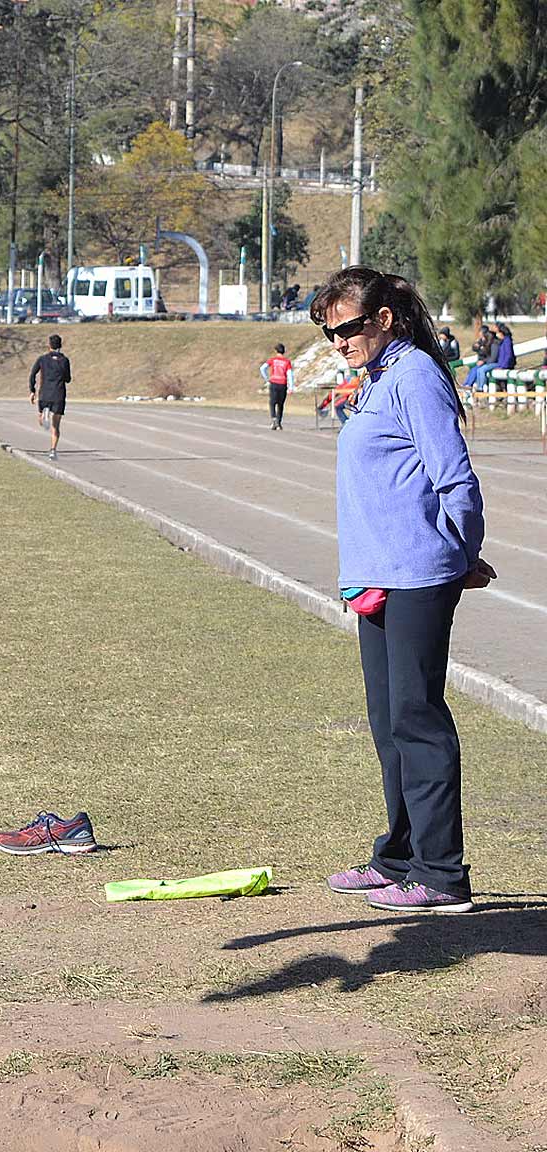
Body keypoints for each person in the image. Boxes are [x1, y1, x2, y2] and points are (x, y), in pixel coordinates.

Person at [315, 266, 493, 914]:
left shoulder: (415, 375)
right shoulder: (382, 379)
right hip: (379, 577)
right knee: (390, 724)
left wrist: (463, 554)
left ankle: (442, 876)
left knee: (419, 723)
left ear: (383, 320)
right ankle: (398, 860)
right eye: (329, 332)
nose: (337, 341)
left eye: (346, 328)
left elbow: (455, 479)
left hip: (418, 574)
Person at [28, 333, 71, 460]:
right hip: (58, 394)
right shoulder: (64, 360)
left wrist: (32, 391)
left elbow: (32, 374)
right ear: (60, 345)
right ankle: (53, 450)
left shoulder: (42, 359)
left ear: (49, 345)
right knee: (56, 426)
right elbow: (68, 379)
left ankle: (43, 414)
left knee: (41, 419)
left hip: (44, 394)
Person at [264, 342, 294, 430]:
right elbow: (289, 374)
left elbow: (263, 368)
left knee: (272, 402)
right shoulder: (287, 362)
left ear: (276, 351)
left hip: (274, 382)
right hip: (283, 383)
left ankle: (273, 419)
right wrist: (291, 387)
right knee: (281, 404)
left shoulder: (273, 360)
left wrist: (266, 378)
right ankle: (279, 421)